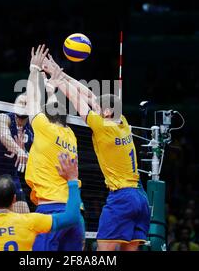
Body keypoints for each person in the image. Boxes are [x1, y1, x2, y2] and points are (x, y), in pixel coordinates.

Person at [42, 56, 150, 251]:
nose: (96, 110)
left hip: (122, 197)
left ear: (107, 112)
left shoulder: (102, 127)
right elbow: (90, 96)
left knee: (103, 252)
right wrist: (60, 72)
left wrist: (57, 80)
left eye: (100, 109)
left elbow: (77, 99)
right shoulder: (122, 122)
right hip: (140, 197)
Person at [24, 44, 84, 251]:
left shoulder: (44, 128)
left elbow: (32, 101)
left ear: (46, 116)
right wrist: (51, 89)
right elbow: (53, 110)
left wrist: (34, 70)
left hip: (51, 210)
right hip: (75, 212)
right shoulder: (70, 135)